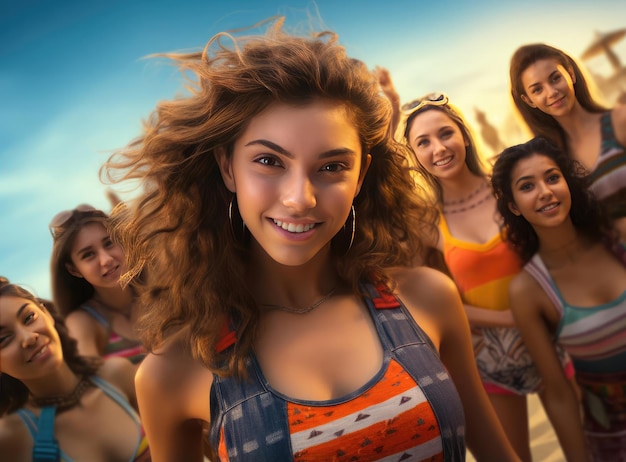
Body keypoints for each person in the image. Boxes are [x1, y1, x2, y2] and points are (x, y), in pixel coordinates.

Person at [102, 18, 519, 462]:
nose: (299, 198)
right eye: (268, 160)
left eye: (332, 166)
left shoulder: (427, 297)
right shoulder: (174, 370)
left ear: (360, 176)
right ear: (227, 168)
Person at [401, 91, 573, 461]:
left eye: (445, 133)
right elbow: (427, 303)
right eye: (423, 143)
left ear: (463, 134)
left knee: (586, 446)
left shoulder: (510, 186)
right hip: (490, 357)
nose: (439, 148)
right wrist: (505, 318)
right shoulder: (427, 222)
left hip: (553, 336)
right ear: (415, 156)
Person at [491, 136, 626, 461]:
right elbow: (559, 395)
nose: (545, 191)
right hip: (614, 440)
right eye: (527, 186)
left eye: (552, 178)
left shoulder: (619, 239)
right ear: (513, 206)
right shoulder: (529, 291)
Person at [0, 277, 150, 461]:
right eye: (4, 339)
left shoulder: (116, 374)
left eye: (29, 318)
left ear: (46, 313)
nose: (29, 338)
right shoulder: (10, 438)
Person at [509, 43, 626, 238]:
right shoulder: (549, 161)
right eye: (537, 90)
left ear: (570, 74)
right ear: (528, 100)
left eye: (555, 78)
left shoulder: (619, 122)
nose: (551, 92)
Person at [49, 204, 144, 364]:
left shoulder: (161, 293)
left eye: (109, 243)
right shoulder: (83, 322)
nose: (106, 260)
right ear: (74, 270)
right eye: (89, 255)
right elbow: (97, 386)